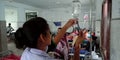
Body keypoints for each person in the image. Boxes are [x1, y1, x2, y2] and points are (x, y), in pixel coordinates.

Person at [14, 17, 84, 60]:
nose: (51, 35)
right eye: (49, 32)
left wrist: (66, 26)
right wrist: (77, 46)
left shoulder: (28, 51)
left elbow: (52, 45)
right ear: (42, 37)